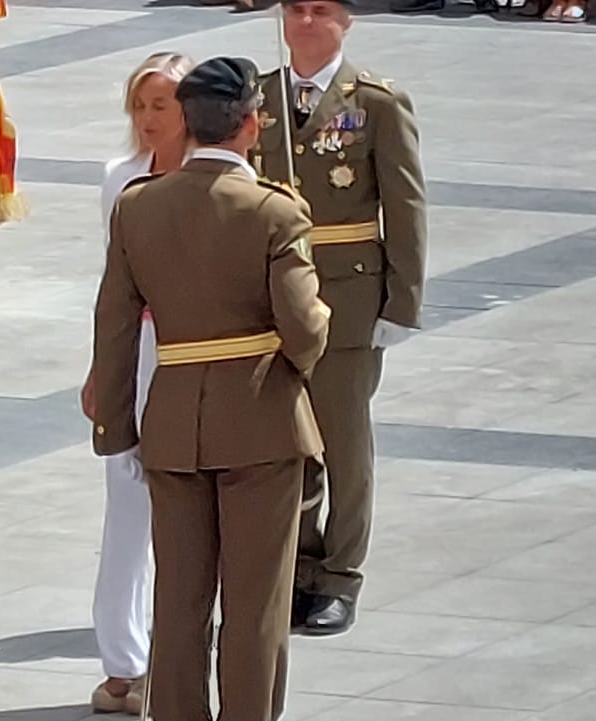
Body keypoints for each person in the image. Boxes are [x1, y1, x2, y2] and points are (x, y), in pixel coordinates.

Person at [89, 55, 331, 721]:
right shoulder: (275, 212)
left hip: (171, 423)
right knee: (254, 607)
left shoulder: (138, 208)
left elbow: (112, 326)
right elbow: (306, 330)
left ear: (187, 125)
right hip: (260, 424)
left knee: (178, 602)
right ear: (251, 124)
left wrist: (115, 424)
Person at [250, 0, 428, 636]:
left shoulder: (375, 101)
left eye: (321, 10)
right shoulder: (259, 95)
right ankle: (295, 567)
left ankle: (341, 575)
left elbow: (404, 204)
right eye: (295, 9)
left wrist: (401, 303)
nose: (304, 22)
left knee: (343, 443)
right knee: (284, 442)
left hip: (346, 297)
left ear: (346, 20)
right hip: (272, 295)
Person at [82, 50, 193, 717]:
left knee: (182, 512)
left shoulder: (222, 177)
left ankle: (174, 654)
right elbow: (110, 287)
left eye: (164, 104)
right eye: (141, 105)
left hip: (200, 351)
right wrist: (103, 366)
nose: (150, 119)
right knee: (125, 503)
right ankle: (123, 660)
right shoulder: (119, 179)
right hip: (138, 348)